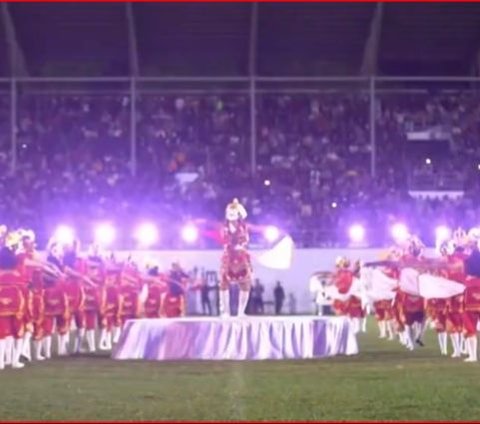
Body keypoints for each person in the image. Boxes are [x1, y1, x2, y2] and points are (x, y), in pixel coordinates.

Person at [219, 198, 252, 318]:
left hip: (241, 256)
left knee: (245, 283)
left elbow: (245, 240)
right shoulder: (224, 227)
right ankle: (225, 311)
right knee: (224, 282)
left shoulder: (243, 226)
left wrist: (237, 205)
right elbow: (224, 240)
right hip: (229, 256)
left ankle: (241, 311)